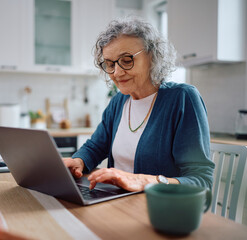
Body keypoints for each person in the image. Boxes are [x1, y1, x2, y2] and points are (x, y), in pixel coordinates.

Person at [63, 17, 215, 192]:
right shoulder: (118, 102)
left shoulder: (182, 98)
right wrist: (78, 161)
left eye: (127, 60)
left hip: (159, 209)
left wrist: (145, 181)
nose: (117, 72)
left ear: (153, 56)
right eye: (110, 64)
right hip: (118, 202)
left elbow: (201, 180)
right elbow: (96, 146)